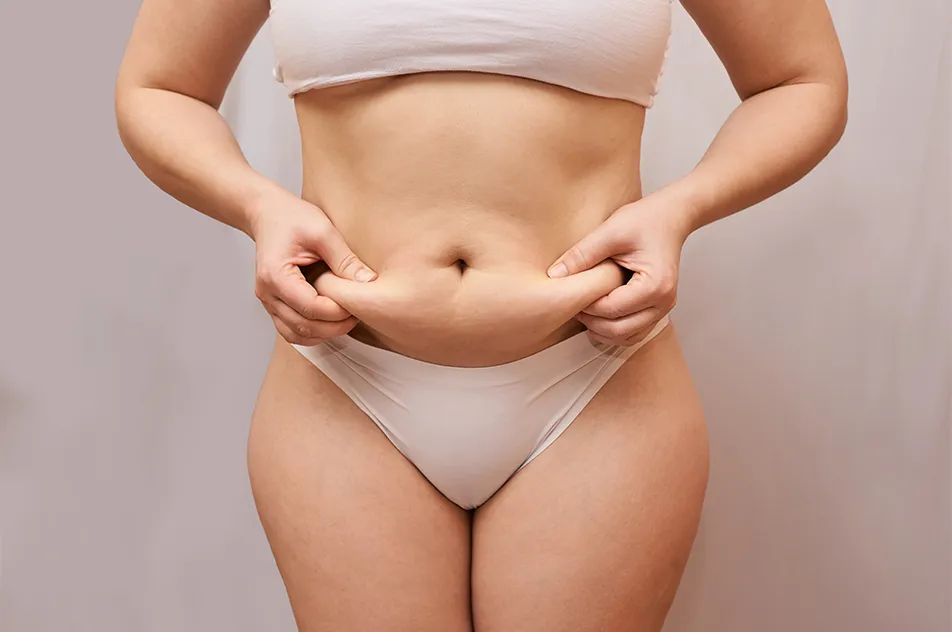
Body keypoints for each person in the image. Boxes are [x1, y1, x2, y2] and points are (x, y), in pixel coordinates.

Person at [114, 0, 848, 629]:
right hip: (344, 377)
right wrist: (259, 206)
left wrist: (680, 211)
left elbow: (802, 79)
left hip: (596, 377)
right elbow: (159, 87)